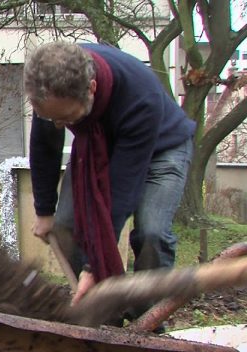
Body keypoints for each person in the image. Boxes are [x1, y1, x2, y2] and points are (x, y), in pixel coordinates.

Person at [24, 41, 196, 325]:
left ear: (91, 88)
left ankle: (147, 320)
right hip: (96, 149)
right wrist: (44, 211)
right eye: (52, 118)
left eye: (66, 118)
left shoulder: (141, 97)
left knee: (152, 234)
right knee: (64, 227)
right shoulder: (48, 87)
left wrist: (93, 266)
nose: (59, 125)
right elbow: (44, 147)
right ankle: (105, 314)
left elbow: (119, 193)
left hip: (162, 150)